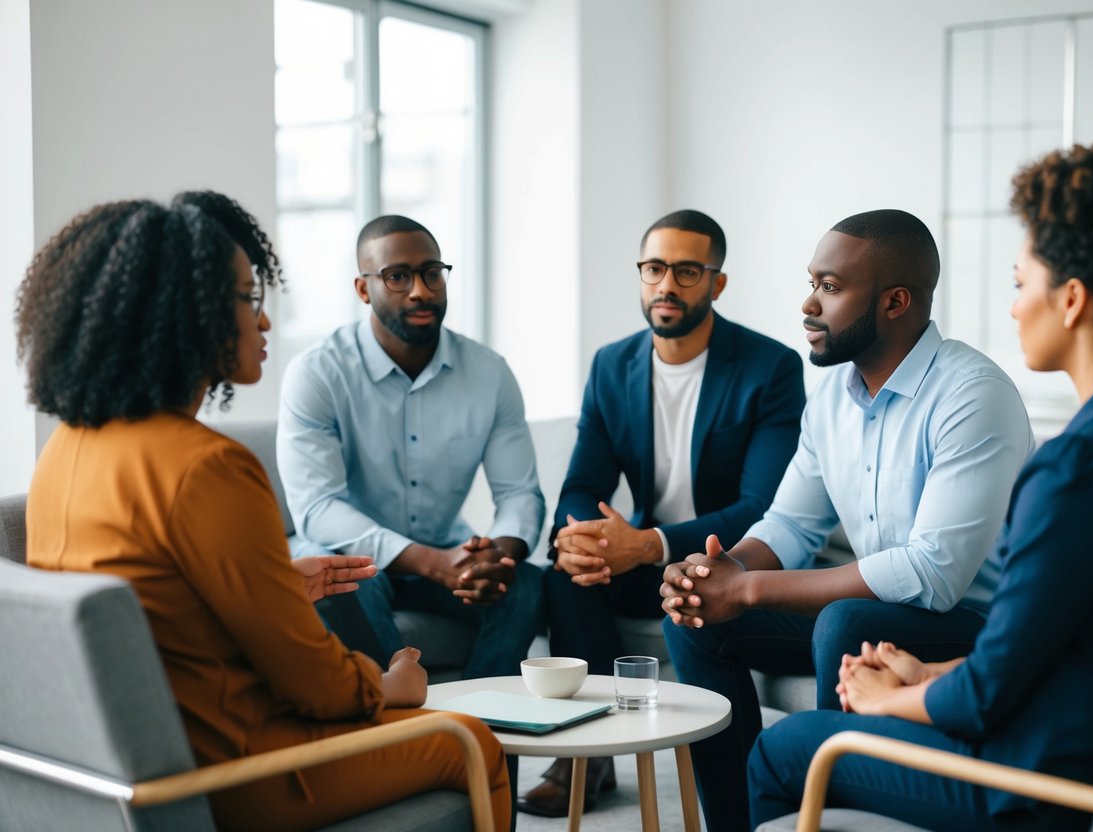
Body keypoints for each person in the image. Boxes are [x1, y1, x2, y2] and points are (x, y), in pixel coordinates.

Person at [748, 144, 1093, 832]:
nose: (1015, 308)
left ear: (1072, 300)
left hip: (1036, 780)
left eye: (1021, 283)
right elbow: (1064, 645)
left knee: (783, 749)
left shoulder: (1076, 466)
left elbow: (988, 697)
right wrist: (927, 673)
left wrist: (881, 699)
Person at [17, 192, 512, 831]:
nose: (266, 322)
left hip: (121, 770)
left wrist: (274, 594)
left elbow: (151, 616)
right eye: (250, 300)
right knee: (474, 739)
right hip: (237, 766)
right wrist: (386, 686)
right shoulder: (207, 467)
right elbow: (316, 686)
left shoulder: (64, 448)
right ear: (185, 314)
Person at [660, 209, 1035, 832]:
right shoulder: (833, 395)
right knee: (694, 618)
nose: (809, 304)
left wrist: (748, 588)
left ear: (895, 302)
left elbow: (932, 575)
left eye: (830, 288)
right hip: (887, 612)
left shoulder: (974, 394)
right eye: (813, 283)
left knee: (849, 619)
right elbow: (790, 526)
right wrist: (718, 572)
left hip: (978, 631)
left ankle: (834, 816)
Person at [518, 209, 806, 818]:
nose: (666, 284)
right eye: (654, 268)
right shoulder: (612, 365)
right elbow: (582, 483)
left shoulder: (769, 368)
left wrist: (649, 543)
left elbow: (763, 508)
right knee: (566, 576)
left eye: (686, 270)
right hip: (639, 561)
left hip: (725, 563)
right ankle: (587, 760)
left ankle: (738, 797)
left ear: (716, 283)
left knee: (663, 578)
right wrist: (580, 538)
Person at [277, 215, 544, 679]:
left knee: (526, 584)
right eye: (398, 277)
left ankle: (487, 736)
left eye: (432, 273)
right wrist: (430, 562)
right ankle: (408, 737)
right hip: (348, 558)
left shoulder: (489, 373)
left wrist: (498, 556)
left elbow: (519, 494)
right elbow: (317, 508)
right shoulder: (317, 374)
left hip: (445, 550)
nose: (420, 290)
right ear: (364, 289)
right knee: (347, 583)